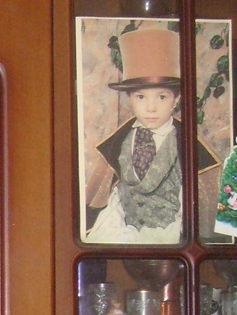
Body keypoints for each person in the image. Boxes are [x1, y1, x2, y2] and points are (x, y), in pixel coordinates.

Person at [84, 26, 218, 243]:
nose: (151, 108)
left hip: (171, 241)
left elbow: (199, 209)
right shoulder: (119, 142)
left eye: (162, 97)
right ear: (130, 98)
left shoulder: (188, 145)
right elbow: (111, 199)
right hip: (126, 240)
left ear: (176, 99)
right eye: (141, 97)